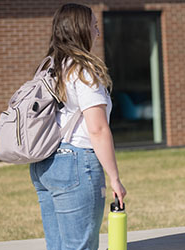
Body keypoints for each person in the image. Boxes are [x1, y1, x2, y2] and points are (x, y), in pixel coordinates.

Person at [29, 3, 126, 250]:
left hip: (45, 164)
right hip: (76, 163)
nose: (98, 32)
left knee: (59, 246)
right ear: (80, 30)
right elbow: (98, 129)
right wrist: (114, 178)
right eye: (94, 26)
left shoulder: (49, 67)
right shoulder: (84, 71)